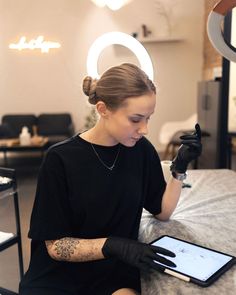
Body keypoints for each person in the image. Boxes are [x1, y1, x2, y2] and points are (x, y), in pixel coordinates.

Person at [19, 63, 202, 295]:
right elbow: (56, 247)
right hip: (59, 276)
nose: (144, 129)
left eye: (148, 118)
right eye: (136, 119)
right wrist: (112, 245)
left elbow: (163, 211)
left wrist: (179, 167)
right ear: (103, 109)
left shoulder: (142, 151)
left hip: (113, 274)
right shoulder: (60, 159)